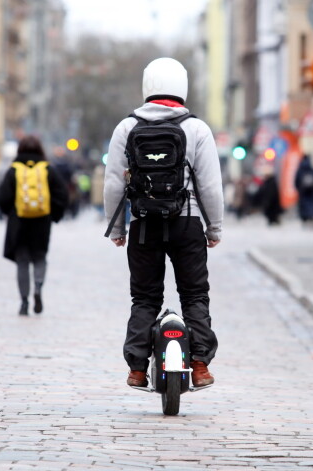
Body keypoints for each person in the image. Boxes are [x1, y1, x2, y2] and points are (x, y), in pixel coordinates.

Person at [103, 57, 223, 389]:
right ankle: (199, 366)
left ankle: (137, 369)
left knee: (144, 298)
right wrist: (214, 228)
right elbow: (210, 186)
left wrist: (117, 229)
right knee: (195, 295)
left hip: (144, 225)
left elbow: (114, 182)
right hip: (188, 224)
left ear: (147, 86)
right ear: (181, 86)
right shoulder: (197, 129)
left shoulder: (126, 128)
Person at [0, 135, 69, 316]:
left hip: (18, 222)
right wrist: (54, 215)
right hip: (42, 221)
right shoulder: (47, 169)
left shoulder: (14, 169)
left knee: (22, 262)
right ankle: (38, 286)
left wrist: (10, 213)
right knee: (39, 257)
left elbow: (2, 196)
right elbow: (63, 194)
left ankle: (24, 301)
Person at [294, 154, 313, 227]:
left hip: (302, 191)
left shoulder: (300, 169)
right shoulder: (312, 168)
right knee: (311, 204)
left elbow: (296, 180)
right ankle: (311, 217)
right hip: (311, 190)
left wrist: (298, 188)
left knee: (303, 204)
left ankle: (304, 218)